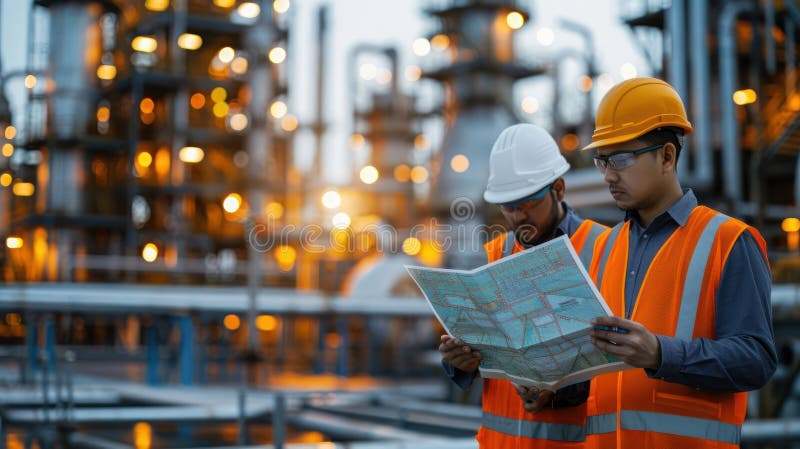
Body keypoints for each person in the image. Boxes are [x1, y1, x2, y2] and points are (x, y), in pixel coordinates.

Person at [580, 77, 777, 449]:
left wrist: (660, 354)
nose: (608, 174)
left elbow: (757, 359)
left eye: (621, 159)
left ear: (667, 156)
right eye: (602, 160)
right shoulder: (604, 248)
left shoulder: (729, 241)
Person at [439, 123, 608, 448]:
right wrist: (459, 361)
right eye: (507, 206)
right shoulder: (496, 253)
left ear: (558, 189)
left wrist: (561, 390)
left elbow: (626, 363)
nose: (516, 217)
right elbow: (481, 344)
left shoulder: (603, 248)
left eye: (526, 204)